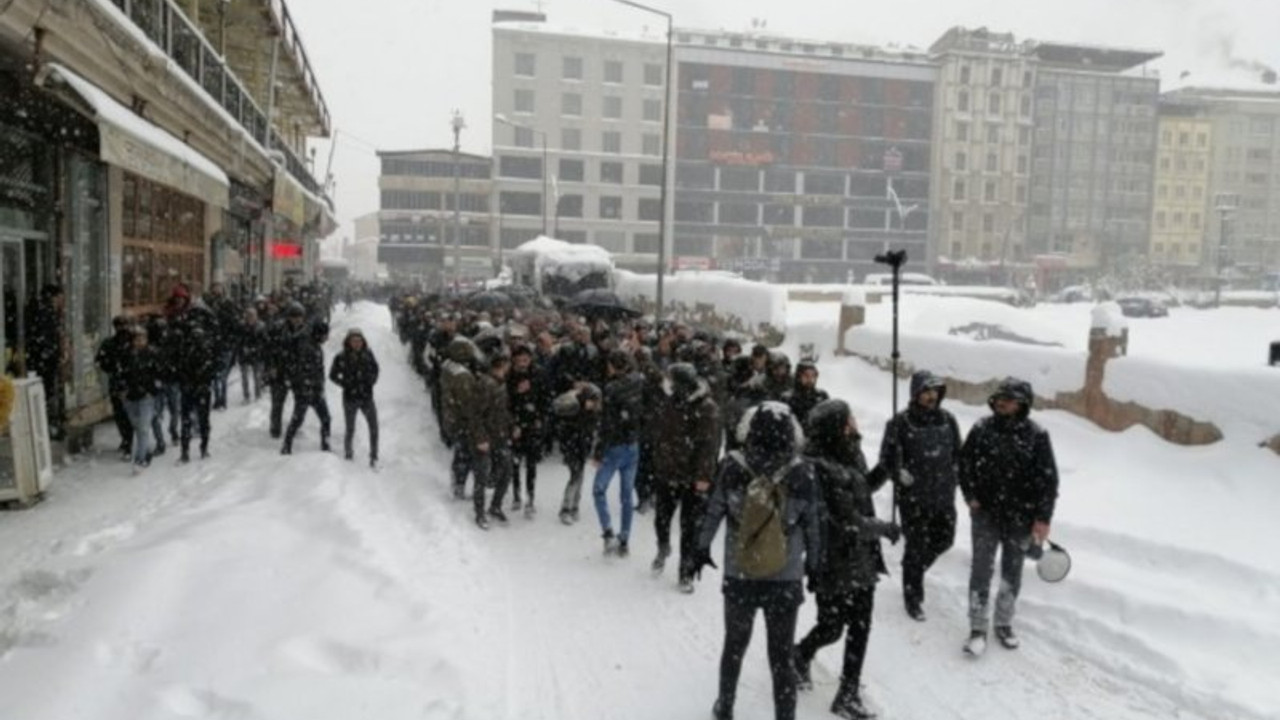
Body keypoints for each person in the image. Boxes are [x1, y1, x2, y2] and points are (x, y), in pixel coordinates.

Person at [695, 401, 822, 720]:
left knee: (734, 646)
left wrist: (701, 548)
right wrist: (815, 564)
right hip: (785, 574)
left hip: (741, 572)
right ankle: (785, 715)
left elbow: (714, 510)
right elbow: (813, 524)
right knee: (781, 657)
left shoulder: (732, 465)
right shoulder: (803, 471)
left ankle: (725, 706)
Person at [794, 400, 900, 720]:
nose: (854, 423)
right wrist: (885, 528)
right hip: (833, 558)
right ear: (837, 427)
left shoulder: (849, 452)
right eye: (849, 419)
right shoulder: (818, 466)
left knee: (860, 625)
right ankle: (800, 654)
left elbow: (861, 488)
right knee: (832, 626)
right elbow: (848, 519)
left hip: (860, 558)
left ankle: (848, 693)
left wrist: (885, 468)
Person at [959, 378, 1059, 657]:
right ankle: (977, 627)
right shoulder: (981, 429)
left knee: (1012, 572)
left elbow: (1048, 481)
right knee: (981, 569)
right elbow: (964, 465)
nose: (1001, 402)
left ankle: (1003, 622)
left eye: (1009, 398)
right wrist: (971, 496)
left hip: (1021, 519)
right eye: (1000, 397)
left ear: (1022, 404)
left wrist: (1043, 518)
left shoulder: (1037, 435)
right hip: (986, 515)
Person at [878, 371, 963, 621]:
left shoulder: (948, 420)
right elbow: (886, 459)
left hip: (943, 495)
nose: (931, 396)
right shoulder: (900, 423)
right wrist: (898, 472)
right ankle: (912, 597)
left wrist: (957, 472)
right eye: (926, 392)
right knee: (916, 547)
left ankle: (912, 571)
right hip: (913, 497)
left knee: (945, 540)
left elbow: (959, 452)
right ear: (916, 393)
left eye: (935, 392)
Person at [651, 363, 721, 593]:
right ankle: (663, 547)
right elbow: (660, 433)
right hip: (666, 472)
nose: (667, 383)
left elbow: (709, 446)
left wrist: (703, 476)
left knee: (689, 527)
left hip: (692, 477)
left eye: (672, 380)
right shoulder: (668, 400)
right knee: (661, 518)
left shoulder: (706, 407)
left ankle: (686, 572)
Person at [591, 349, 645, 557]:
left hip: (614, 448)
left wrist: (597, 452)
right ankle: (624, 539)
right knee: (626, 495)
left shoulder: (612, 389)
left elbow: (607, 424)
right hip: (633, 445)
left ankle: (608, 533)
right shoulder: (639, 382)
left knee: (598, 490)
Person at [473, 352, 514, 529]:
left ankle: (495, 506)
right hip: (486, 437)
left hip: (500, 436)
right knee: (481, 476)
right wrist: (481, 438)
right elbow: (475, 414)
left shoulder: (501, 384)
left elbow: (503, 411)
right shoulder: (486, 384)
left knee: (506, 470)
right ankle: (480, 513)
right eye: (506, 364)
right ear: (500, 365)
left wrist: (512, 426)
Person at [329, 328, 380, 467]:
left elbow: (376, 369)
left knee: (374, 427)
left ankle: (374, 455)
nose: (357, 343)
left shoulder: (368, 354)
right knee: (350, 428)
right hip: (350, 398)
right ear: (348, 342)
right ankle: (348, 452)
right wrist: (345, 384)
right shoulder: (341, 356)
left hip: (366, 397)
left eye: (359, 340)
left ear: (363, 342)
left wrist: (371, 381)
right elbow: (332, 375)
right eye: (354, 341)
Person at [281, 318, 332, 455]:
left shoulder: (313, 344)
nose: (326, 338)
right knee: (301, 419)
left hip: (313, 388)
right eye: (325, 335)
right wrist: (306, 387)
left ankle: (324, 445)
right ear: (319, 334)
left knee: (320, 418)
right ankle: (287, 446)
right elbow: (301, 370)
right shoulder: (307, 346)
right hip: (306, 390)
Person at [441, 336, 483, 500]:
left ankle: (458, 482)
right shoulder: (462, 376)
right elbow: (468, 403)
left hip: (452, 416)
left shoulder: (448, 366)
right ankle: (459, 485)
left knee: (460, 453)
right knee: (465, 454)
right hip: (462, 420)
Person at [507, 344, 545, 516]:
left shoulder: (537, 374)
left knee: (531, 464)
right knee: (514, 463)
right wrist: (513, 423)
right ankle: (516, 495)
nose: (524, 362)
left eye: (526, 358)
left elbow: (545, 397)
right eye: (520, 358)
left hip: (532, 424)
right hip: (515, 425)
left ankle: (530, 498)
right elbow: (505, 402)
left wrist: (539, 418)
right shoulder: (509, 375)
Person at [556, 382, 601, 525]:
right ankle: (566, 508)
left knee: (579, 476)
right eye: (592, 401)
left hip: (581, 448)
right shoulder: (574, 412)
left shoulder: (590, 414)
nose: (593, 404)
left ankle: (574, 506)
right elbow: (567, 433)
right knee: (575, 477)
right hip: (573, 448)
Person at [120, 326, 162, 473]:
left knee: (143, 428)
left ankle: (140, 459)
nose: (139, 342)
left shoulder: (151, 354)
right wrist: (122, 389)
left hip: (146, 396)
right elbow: (121, 374)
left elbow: (159, 373)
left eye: (142, 339)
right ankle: (146, 449)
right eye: (137, 339)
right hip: (130, 397)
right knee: (137, 426)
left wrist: (153, 390)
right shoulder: (126, 355)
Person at [28, 284, 65, 440]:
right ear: (53, 297)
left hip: (42, 361)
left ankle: (48, 426)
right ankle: (47, 427)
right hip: (44, 362)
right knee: (46, 393)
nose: (61, 302)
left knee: (46, 393)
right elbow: (46, 340)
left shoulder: (41, 312)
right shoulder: (46, 314)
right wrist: (54, 355)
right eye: (59, 298)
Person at [95, 315, 135, 459]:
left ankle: (129, 441)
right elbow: (100, 360)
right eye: (120, 325)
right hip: (119, 383)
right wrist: (113, 369)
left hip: (129, 383)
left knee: (127, 414)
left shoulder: (132, 341)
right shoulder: (110, 343)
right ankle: (127, 440)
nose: (122, 328)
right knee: (120, 414)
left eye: (124, 325)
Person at [784, 359, 830, 427]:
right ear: (799, 377)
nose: (810, 379)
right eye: (806, 376)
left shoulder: (822, 396)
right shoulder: (788, 398)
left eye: (813, 376)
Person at [238, 308, 267, 404]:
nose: (251, 318)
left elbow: (264, 341)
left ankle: (258, 394)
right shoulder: (242, 326)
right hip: (244, 355)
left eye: (252, 316)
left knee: (257, 376)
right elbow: (239, 341)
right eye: (249, 316)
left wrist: (255, 349)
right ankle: (246, 395)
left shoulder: (261, 326)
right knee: (244, 377)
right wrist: (243, 349)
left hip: (257, 355)